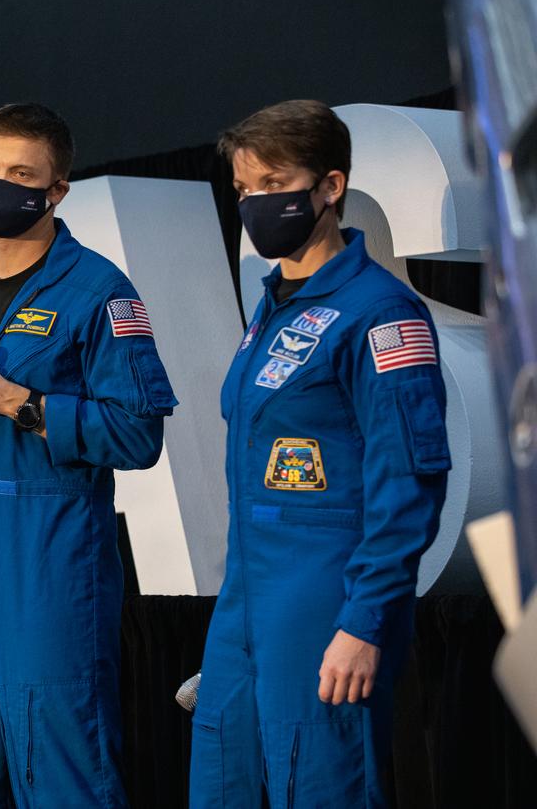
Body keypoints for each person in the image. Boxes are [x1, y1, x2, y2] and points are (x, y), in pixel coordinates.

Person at [0, 103, 177, 807]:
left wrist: (12, 401)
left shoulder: (100, 291)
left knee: (62, 766)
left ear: (57, 189)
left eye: (21, 174)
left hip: (53, 561)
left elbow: (138, 433)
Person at [189, 100, 450, 808]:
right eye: (244, 190)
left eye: (273, 183)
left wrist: (364, 621)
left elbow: (410, 480)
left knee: (321, 785)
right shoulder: (272, 310)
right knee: (220, 781)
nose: (256, 203)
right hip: (246, 599)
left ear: (329, 186)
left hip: (324, 599)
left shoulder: (381, 311)